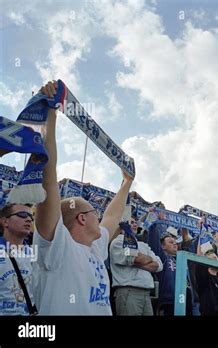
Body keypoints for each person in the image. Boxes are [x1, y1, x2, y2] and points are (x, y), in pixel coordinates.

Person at [32, 80, 134, 315]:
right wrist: (51, 113)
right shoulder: (56, 247)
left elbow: (112, 216)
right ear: (80, 219)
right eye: (93, 213)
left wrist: (127, 182)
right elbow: (48, 179)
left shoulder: (94, 247)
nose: (99, 218)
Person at [109, 220, 163, 316]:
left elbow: (159, 266)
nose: (134, 224)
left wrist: (139, 260)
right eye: (130, 222)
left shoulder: (143, 245)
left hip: (146, 294)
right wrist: (148, 259)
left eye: (135, 222)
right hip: (129, 293)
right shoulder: (117, 242)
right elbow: (137, 258)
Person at [0, 203, 37, 315]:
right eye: (22, 214)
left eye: (31, 217)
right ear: (5, 221)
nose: (28, 219)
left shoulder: (33, 252)